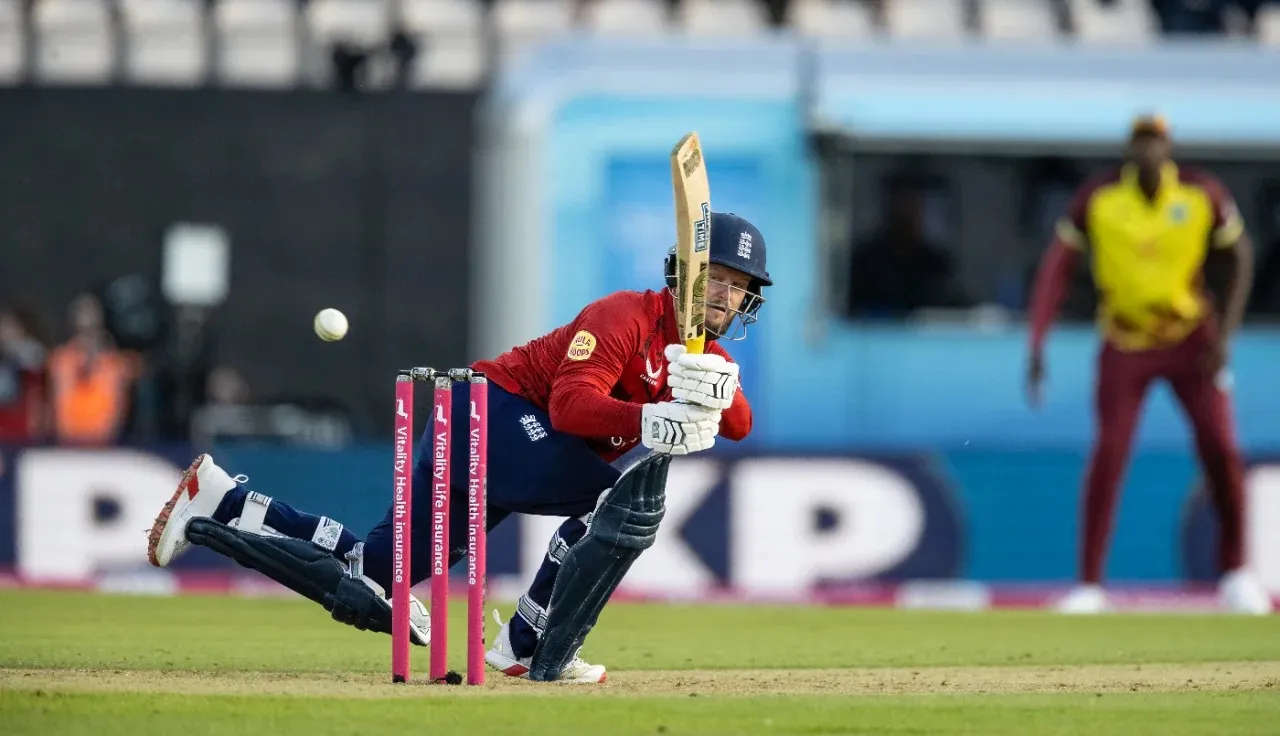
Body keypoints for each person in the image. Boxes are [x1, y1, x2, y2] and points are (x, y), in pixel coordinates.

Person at [147, 212, 772, 680]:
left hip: (503, 442)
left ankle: (222, 501)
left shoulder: (702, 359)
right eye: (715, 277)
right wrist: (652, 418)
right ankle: (526, 643)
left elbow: (739, 424)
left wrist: (717, 387)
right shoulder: (624, 317)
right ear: (682, 272)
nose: (725, 295)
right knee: (617, 503)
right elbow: (569, 406)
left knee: (375, 576)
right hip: (489, 413)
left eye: (738, 285)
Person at [1026, 114, 1270, 615]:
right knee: (1110, 453)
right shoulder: (1100, 198)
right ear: (1129, 149)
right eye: (1140, 141)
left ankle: (1237, 573)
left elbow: (1240, 255)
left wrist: (1226, 335)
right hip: (1125, 341)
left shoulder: (1200, 194)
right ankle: (1090, 585)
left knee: (1221, 447)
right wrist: (1037, 342)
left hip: (1191, 339)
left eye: (1155, 141)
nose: (1148, 150)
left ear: (1168, 146)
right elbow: (1057, 268)